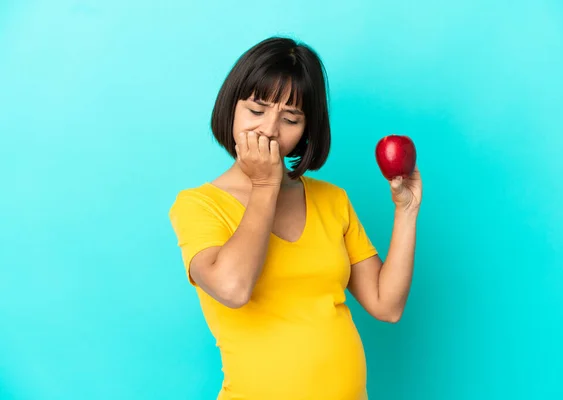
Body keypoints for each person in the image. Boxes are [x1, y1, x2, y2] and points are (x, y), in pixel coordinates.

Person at [168, 36, 422, 400]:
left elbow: (387, 305)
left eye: (290, 118)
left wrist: (406, 211)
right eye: (256, 111)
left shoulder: (331, 199)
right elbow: (233, 288)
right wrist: (265, 185)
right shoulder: (198, 205)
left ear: (306, 130)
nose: (269, 130)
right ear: (230, 108)